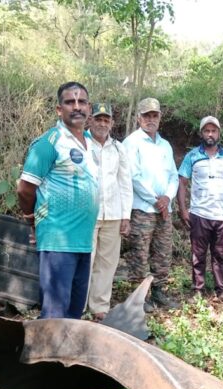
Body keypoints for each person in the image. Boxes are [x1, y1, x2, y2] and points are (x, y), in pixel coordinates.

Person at [17, 81, 99, 319]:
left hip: (83, 242)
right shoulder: (49, 143)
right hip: (57, 241)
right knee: (54, 316)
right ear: (58, 109)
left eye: (81, 102)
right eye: (69, 102)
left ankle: (66, 357)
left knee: (74, 314)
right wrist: (31, 219)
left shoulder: (89, 142)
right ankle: (45, 357)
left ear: (89, 107)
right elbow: (25, 189)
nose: (76, 107)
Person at [122, 97, 180, 310]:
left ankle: (159, 293)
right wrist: (156, 201)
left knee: (163, 252)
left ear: (160, 118)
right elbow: (133, 177)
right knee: (140, 253)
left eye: (154, 115)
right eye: (146, 115)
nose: (150, 119)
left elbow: (173, 176)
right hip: (142, 210)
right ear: (139, 118)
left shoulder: (165, 145)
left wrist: (167, 198)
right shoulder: (132, 142)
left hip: (164, 210)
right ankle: (139, 299)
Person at [177, 116, 223, 303]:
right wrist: (183, 209)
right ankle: (198, 290)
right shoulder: (192, 156)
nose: (210, 134)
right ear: (201, 133)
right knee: (198, 255)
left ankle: (221, 291)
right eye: (207, 130)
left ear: (219, 133)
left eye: (213, 131)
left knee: (220, 255)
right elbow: (182, 183)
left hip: (220, 216)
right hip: (199, 214)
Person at [86, 102, 133, 321]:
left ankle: (99, 306)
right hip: (87, 214)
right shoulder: (81, 143)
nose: (102, 123)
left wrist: (126, 215)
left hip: (113, 214)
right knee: (85, 259)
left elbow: (125, 182)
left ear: (112, 123)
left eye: (106, 120)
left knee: (107, 263)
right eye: (98, 119)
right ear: (90, 120)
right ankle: (79, 304)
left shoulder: (118, 147)